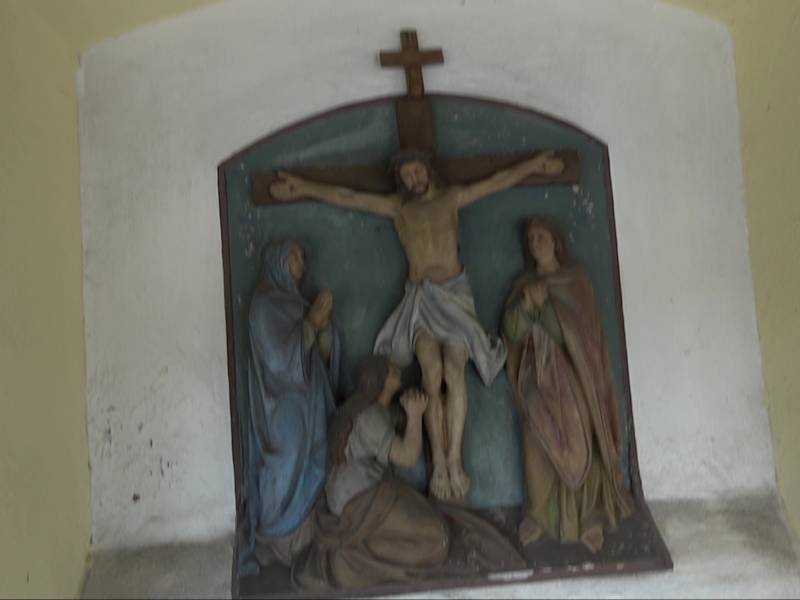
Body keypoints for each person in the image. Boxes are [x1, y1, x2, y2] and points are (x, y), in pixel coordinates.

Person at [270, 148, 564, 500]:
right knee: (430, 373)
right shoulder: (399, 208)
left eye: (417, 171)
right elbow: (350, 197)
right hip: (421, 300)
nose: (413, 180)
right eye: (406, 175)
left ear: (428, 169)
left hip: (454, 298)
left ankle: (455, 459)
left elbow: (496, 181)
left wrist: (533, 164)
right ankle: (438, 462)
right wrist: (304, 187)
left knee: (454, 372)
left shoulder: (451, 198)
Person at [292, 355, 526, 592]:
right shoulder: (369, 417)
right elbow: (407, 456)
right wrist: (415, 415)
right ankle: (351, 562)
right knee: (437, 540)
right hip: (364, 500)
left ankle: (357, 555)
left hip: (360, 495)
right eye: (392, 371)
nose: (398, 372)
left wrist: (411, 411)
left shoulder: (361, 409)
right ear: (381, 379)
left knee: (430, 527)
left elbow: (391, 420)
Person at [502, 217, 634, 553]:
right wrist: (527, 305)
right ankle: (539, 515)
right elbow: (512, 332)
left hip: (576, 375)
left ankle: (588, 518)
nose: (535, 242)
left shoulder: (576, 281)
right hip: (538, 375)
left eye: (541, 236)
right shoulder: (524, 285)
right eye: (531, 238)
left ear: (555, 241)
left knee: (581, 434)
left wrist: (544, 307)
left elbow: (582, 333)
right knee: (535, 434)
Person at [238, 240, 341, 575]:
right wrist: (310, 323)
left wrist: (323, 330)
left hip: (311, 403)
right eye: (294, 256)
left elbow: (319, 358)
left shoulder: (297, 303)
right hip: (282, 406)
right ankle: (274, 531)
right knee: (286, 458)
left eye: (302, 256)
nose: (302, 262)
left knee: (317, 456)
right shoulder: (263, 306)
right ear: (277, 261)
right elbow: (278, 360)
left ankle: (305, 529)